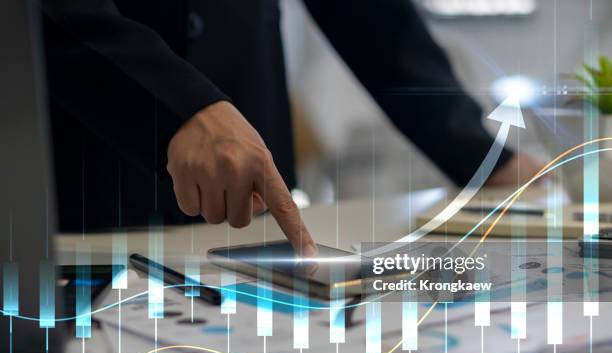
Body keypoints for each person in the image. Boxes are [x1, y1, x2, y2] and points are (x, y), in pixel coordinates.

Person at [41, 0, 540, 257]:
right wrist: (173, 105)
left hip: (253, 205)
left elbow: (368, 15)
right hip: (76, 182)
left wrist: (483, 157)